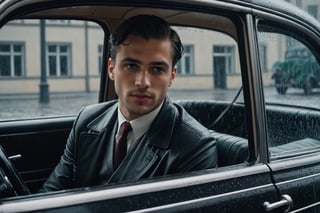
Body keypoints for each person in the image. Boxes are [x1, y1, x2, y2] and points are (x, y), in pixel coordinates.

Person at [40, 14, 217, 191]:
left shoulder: (195, 146)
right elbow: (52, 193)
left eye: (157, 69)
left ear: (171, 76)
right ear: (111, 69)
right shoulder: (87, 119)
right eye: (131, 66)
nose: (143, 82)